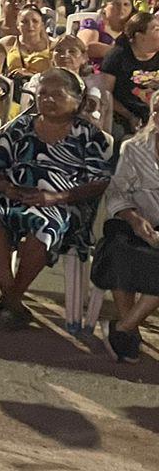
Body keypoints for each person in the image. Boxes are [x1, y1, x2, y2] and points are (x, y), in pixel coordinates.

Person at [0, 67, 114, 328]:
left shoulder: (90, 136)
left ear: (77, 100)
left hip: (64, 205)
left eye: (57, 94)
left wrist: (55, 197)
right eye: (43, 94)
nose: (48, 100)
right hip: (16, 195)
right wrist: (6, 187)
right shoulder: (20, 126)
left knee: (44, 224)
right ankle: (12, 298)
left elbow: (99, 182)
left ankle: (10, 298)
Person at [92, 118, 159, 362]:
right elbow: (117, 191)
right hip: (133, 218)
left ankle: (123, 328)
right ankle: (131, 330)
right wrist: (134, 218)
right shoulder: (133, 148)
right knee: (119, 248)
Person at [101, 12, 159, 136]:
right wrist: (130, 116)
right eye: (156, 30)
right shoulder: (117, 57)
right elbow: (106, 94)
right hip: (124, 117)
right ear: (140, 36)